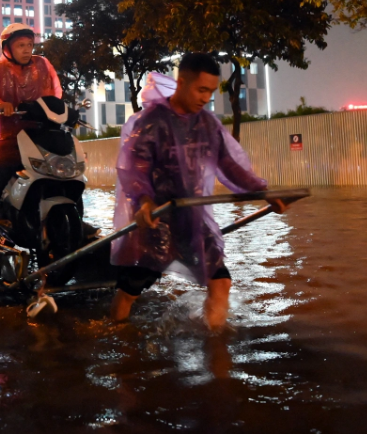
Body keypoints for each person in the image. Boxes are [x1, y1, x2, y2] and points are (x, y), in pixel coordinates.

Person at [109, 53, 287, 330]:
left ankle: (216, 349)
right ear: (181, 83)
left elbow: (228, 163)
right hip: (156, 218)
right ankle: (117, 335)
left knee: (221, 281)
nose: (206, 98)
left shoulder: (206, 123)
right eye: (201, 89)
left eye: (211, 92)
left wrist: (262, 191)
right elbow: (136, 166)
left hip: (192, 217)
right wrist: (144, 201)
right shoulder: (153, 121)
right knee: (131, 290)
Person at [0, 23, 63, 238]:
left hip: (42, 133)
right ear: (7, 48)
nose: (27, 50)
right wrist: (1, 104)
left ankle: (71, 220)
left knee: (64, 172)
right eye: (21, 46)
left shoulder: (43, 65)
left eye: (30, 44)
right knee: (0, 173)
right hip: (11, 137)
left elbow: (53, 94)